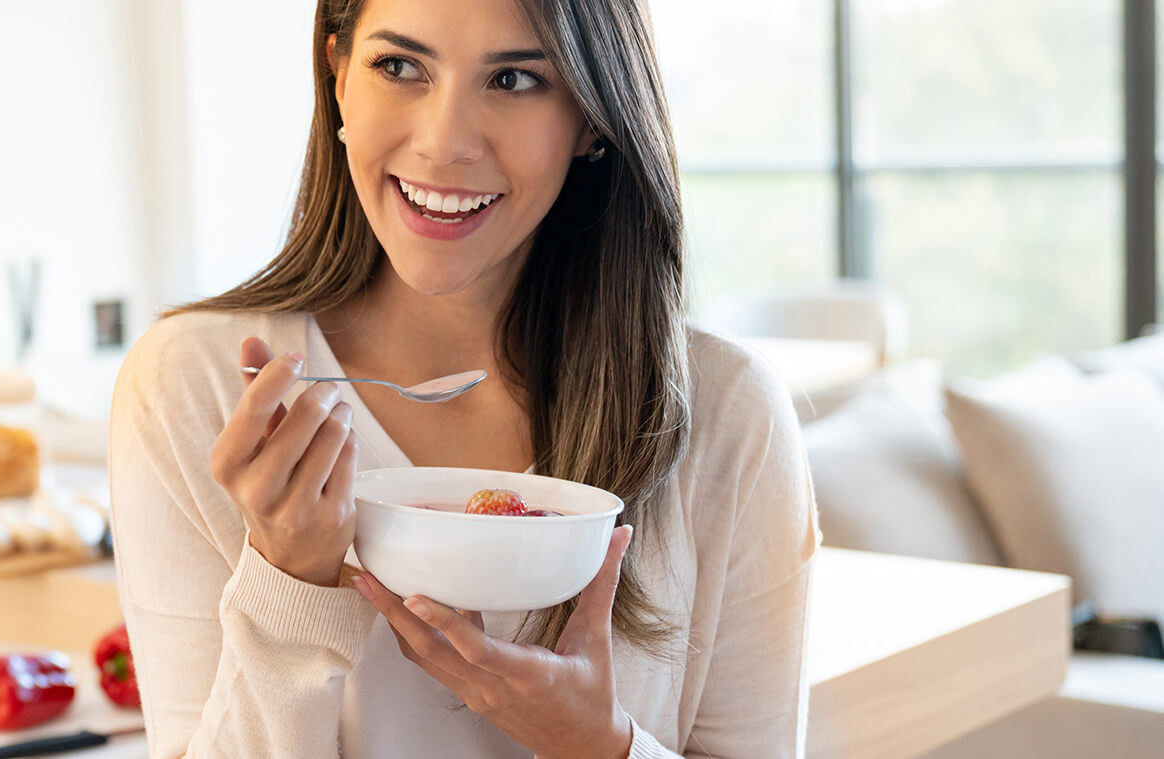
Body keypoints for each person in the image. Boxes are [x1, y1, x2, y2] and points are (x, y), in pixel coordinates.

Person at [107, 0, 820, 756]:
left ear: (590, 118)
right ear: (339, 75)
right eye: (400, 66)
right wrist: (287, 589)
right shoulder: (193, 387)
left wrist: (597, 744)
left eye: (513, 78)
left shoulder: (727, 414)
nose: (444, 143)